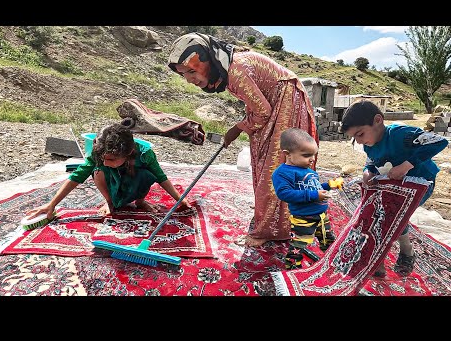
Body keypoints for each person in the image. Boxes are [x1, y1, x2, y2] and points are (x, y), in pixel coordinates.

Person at [167, 32, 318, 247]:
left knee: (274, 165)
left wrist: (237, 128)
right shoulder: (229, 66)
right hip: (277, 101)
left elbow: (263, 112)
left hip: (286, 102)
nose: (189, 79)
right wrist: (242, 127)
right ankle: (272, 217)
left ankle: (269, 230)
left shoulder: (235, 71)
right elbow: (260, 107)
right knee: (263, 158)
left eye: (192, 70)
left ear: (209, 60)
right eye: (184, 74)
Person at [340, 100, 449, 277]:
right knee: (379, 215)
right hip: (394, 185)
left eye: (360, 134)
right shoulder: (370, 145)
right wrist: (367, 173)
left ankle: (405, 250)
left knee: (393, 216)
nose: (359, 142)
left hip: (420, 182)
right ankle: (379, 259)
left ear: (378, 120)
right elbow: (371, 164)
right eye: (355, 138)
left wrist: (407, 165)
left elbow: (439, 142)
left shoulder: (401, 134)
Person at [26, 118, 191, 220]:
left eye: (112, 159)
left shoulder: (145, 154)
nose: (106, 162)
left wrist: (179, 199)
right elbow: (76, 177)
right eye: (104, 158)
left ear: (127, 154)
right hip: (112, 180)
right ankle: (110, 202)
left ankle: (140, 202)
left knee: (148, 174)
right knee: (97, 170)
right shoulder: (101, 154)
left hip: (134, 178)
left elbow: (161, 177)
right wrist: (52, 204)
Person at [272, 128, 340, 269]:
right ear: (288, 154)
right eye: (306, 155)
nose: (312, 159)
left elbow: (313, 188)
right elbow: (285, 194)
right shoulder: (282, 173)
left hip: (322, 215)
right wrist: (315, 195)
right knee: (299, 243)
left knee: (328, 239)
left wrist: (328, 185)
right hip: (303, 218)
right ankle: (292, 266)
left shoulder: (309, 171)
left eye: (314, 155)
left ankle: (332, 261)